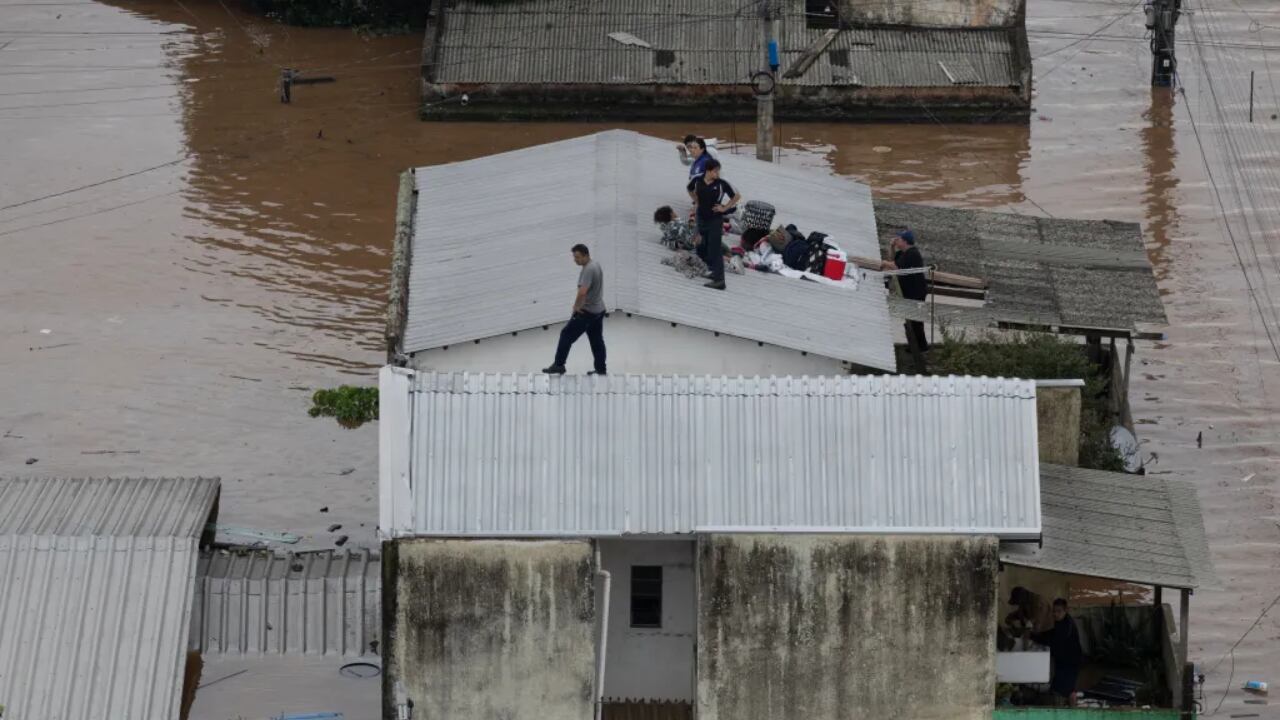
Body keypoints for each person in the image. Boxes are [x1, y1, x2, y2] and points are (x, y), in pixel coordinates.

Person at [542, 244, 607, 376]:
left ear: (585, 255)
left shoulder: (588, 270)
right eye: (574, 257)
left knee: (566, 335)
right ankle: (601, 369)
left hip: (587, 312)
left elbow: (582, 292)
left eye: (577, 257)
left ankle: (559, 365)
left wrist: (576, 307)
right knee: (597, 341)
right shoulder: (596, 265)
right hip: (598, 310)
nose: (575, 260)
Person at [686, 158, 741, 290]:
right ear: (708, 171)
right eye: (715, 171)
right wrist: (696, 201)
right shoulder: (697, 180)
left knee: (715, 250)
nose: (718, 174)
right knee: (702, 245)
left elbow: (737, 196)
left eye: (718, 171)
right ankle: (713, 271)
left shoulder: (721, 184)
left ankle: (720, 280)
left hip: (715, 220)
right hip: (701, 218)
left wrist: (724, 208)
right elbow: (689, 188)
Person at [1028, 598, 1084, 707]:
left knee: (1060, 691)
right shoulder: (1061, 621)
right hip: (1066, 661)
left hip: (1069, 663)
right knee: (1068, 689)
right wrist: (1038, 635)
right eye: (1054, 611)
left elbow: (1053, 640)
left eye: (1059, 611)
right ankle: (1072, 709)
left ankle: (1062, 710)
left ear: (1065, 610)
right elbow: (1052, 633)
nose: (1055, 614)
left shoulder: (1066, 625)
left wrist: (1033, 636)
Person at [885, 229, 930, 352]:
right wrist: (891, 246)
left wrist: (882, 264)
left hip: (916, 291)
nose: (896, 240)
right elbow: (892, 260)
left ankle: (921, 347)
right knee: (911, 319)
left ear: (904, 241)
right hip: (909, 290)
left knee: (915, 320)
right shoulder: (904, 253)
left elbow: (895, 266)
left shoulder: (912, 253)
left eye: (898, 239)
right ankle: (916, 346)